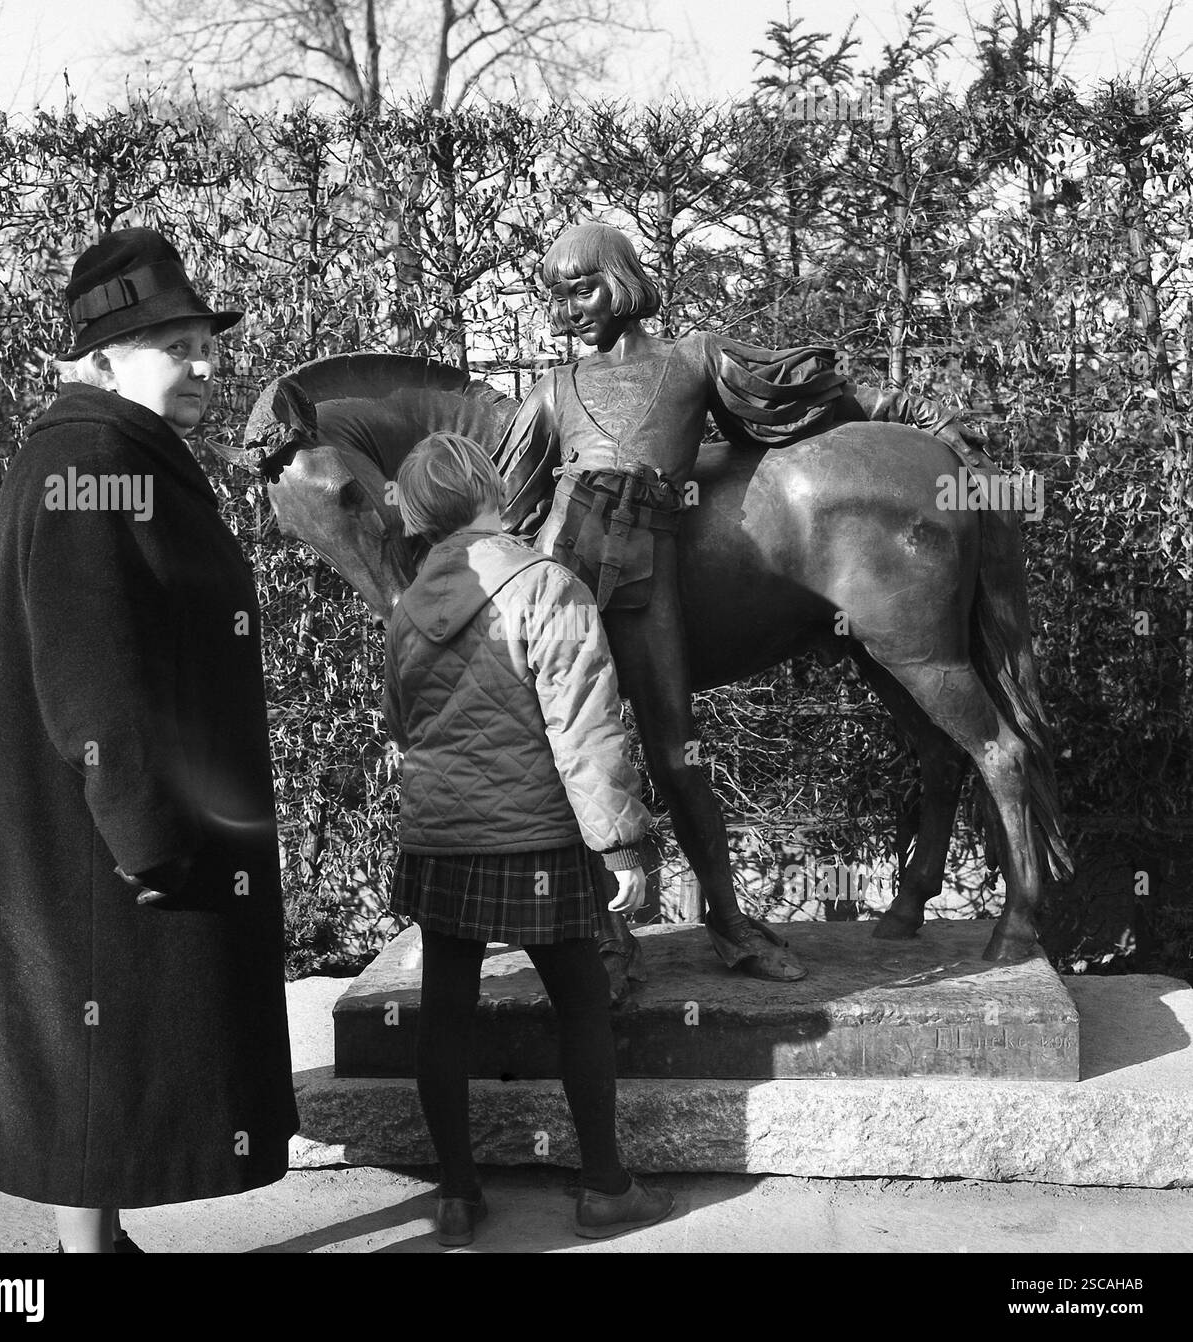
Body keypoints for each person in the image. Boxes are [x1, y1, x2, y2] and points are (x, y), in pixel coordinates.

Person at [0, 227, 298, 1252]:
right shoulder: (93, 461)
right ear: (101, 358)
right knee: (91, 1043)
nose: (205, 365)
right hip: (100, 832)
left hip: (77, 826)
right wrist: (147, 836)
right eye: (175, 345)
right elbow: (95, 671)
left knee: (89, 1054)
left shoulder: (110, 450)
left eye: (205, 342)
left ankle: (91, 1242)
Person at [497, 221, 980, 983]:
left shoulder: (693, 360)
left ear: (622, 282)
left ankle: (729, 923)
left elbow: (789, 411)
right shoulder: (552, 392)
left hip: (651, 579)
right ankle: (604, 934)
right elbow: (506, 511)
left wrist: (901, 417)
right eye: (554, 298)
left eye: (582, 289)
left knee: (676, 755)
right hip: (569, 583)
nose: (568, 311)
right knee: (567, 751)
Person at [383, 431, 674, 1245]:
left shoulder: (407, 607)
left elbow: (401, 723)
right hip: (536, 838)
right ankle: (605, 1187)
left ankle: (456, 1197)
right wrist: (619, 842)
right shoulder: (547, 585)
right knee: (581, 999)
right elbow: (586, 728)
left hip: (440, 839)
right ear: (491, 489)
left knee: (444, 1011)